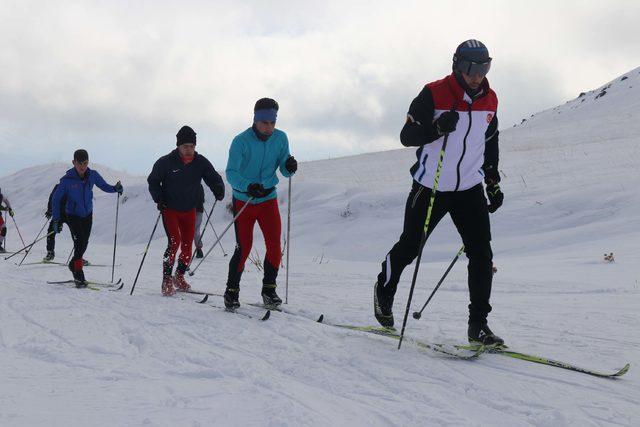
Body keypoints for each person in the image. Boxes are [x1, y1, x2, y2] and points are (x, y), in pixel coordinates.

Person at [373, 40, 505, 345]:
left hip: (469, 188)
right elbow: (407, 136)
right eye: (472, 68)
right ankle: (384, 287)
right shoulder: (433, 93)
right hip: (431, 185)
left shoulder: (491, 99)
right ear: (457, 65)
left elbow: (490, 141)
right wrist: (436, 128)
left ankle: (478, 325)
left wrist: (492, 180)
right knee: (410, 246)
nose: (477, 75)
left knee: (482, 254)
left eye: (484, 68)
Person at [224, 98, 297, 309]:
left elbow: (284, 169)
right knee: (244, 247)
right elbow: (231, 173)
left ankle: (269, 290)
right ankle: (231, 291)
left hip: (268, 199)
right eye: (265, 122)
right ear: (255, 120)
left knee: (275, 245)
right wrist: (247, 186)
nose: (269, 127)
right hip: (244, 200)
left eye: (272, 122)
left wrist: (289, 165)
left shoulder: (281, 138)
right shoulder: (241, 141)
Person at [148, 125, 225, 296]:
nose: (189, 150)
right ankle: (166, 280)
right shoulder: (166, 162)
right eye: (185, 146)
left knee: (188, 246)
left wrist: (218, 187)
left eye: (192, 146)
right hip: (170, 209)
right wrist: (159, 198)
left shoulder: (200, 162)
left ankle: (179, 276)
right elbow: (153, 181)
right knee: (174, 242)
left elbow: (212, 176)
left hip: (189, 209)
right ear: (178, 146)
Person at [51, 149, 123, 287]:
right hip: (73, 215)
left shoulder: (92, 175)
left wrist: (115, 188)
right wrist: (56, 219)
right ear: (74, 162)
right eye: (80, 163)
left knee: (84, 243)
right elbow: (56, 199)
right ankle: (78, 274)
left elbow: (104, 186)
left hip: (87, 215)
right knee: (79, 243)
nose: (83, 166)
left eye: (85, 163)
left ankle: (73, 264)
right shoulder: (67, 181)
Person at [0, 188, 14, 253]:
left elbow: (6, 201)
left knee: (4, 228)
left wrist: (10, 209)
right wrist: (4, 208)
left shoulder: (1, 196)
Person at [194, 184, 205, 259]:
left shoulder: (199, 185)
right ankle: (198, 249)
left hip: (196, 210)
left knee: (195, 230)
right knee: (195, 230)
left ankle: (198, 249)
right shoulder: (200, 185)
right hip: (197, 209)